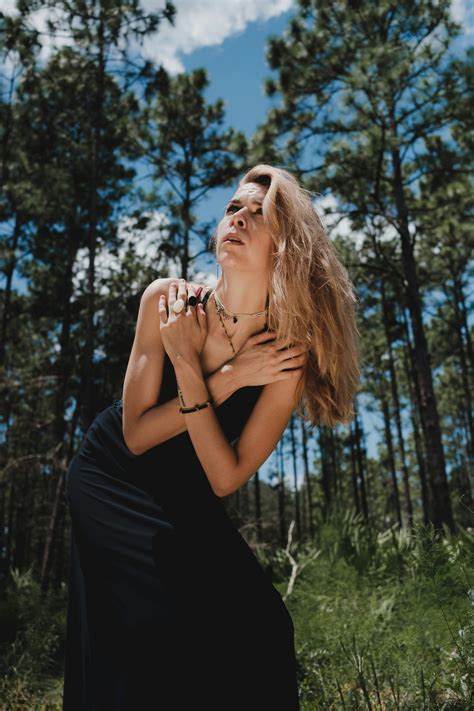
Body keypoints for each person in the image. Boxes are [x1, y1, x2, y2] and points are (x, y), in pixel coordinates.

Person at [63, 163, 361, 710]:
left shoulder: (282, 356)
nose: (239, 219)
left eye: (259, 214)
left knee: (262, 624)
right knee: (151, 622)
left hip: (188, 489)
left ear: (286, 248)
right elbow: (135, 435)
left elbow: (224, 477)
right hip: (112, 475)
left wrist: (212, 371)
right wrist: (223, 378)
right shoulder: (167, 302)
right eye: (233, 209)